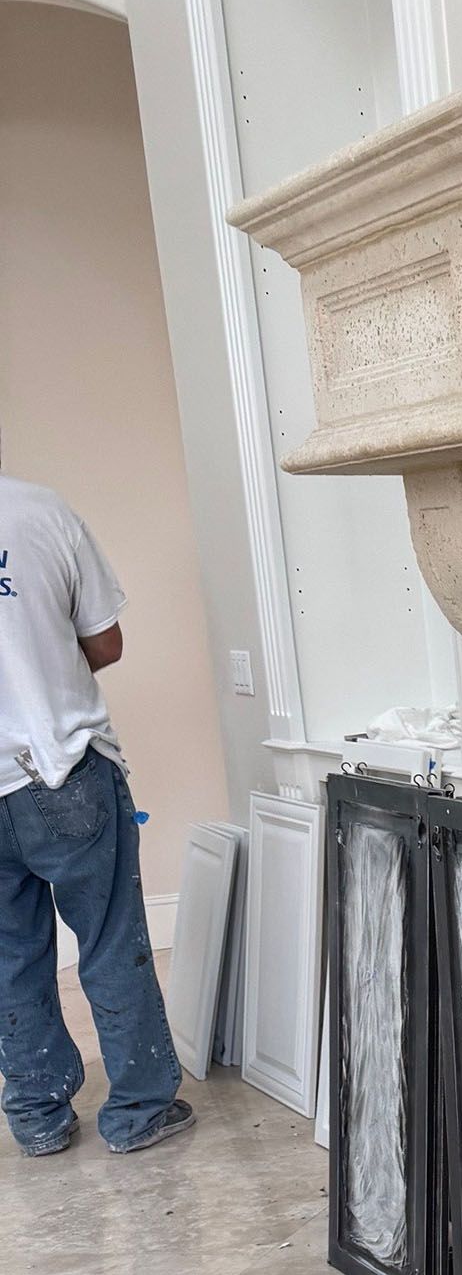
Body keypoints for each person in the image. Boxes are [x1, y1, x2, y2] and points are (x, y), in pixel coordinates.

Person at [0, 472, 191, 1156]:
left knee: (8, 955)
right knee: (109, 936)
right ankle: (138, 1110)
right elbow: (105, 643)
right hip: (62, 767)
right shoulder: (37, 510)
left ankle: (37, 1117)